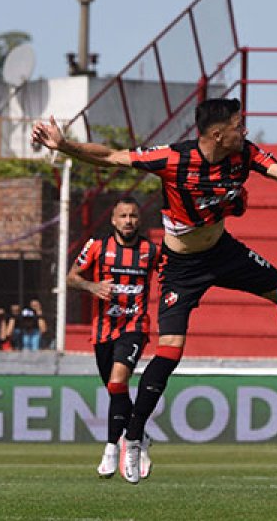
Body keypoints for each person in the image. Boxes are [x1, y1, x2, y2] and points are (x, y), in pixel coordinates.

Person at [32, 97, 277, 484]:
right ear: (217, 133)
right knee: (171, 349)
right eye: (238, 124)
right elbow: (114, 157)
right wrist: (64, 145)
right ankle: (132, 437)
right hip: (181, 266)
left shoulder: (243, 154)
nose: (244, 130)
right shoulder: (172, 158)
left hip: (223, 252)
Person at [67, 196, 160, 480]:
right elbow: (71, 277)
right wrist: (91, 285)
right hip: (103, 329)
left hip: (134, 326)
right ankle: (138, 435)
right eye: (123, 216)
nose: (128, 221)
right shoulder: (97, 246)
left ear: (139, 219)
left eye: (133, 216)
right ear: (113, 219)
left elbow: (171, 275)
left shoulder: (150, 250)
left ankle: (111, 446)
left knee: (119, 382)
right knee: (114, 389)